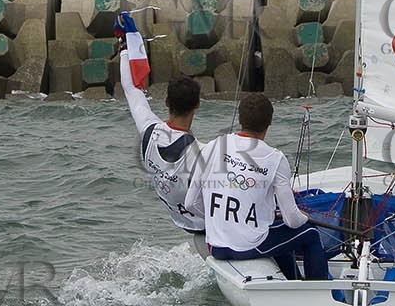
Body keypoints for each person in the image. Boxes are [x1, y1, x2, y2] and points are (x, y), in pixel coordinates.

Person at [183, 93, 330, 281]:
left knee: (276, 229)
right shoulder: (275, 158)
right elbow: (293, 220)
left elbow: (190, 203)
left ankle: (292, 282)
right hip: (248, 247)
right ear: (269, 122)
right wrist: (305, 217)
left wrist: (219, 219)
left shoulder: (213, 145)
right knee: (310, 234)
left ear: (240, 119)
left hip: (216, 247)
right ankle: (317, 296)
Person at [120, 53, 206, 252]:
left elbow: (131, 89)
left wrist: (125, 49)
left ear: (167, 102)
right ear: (197, 105)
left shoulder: (147, 130)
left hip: (184, 223)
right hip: (208, 229)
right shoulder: (203, 152)